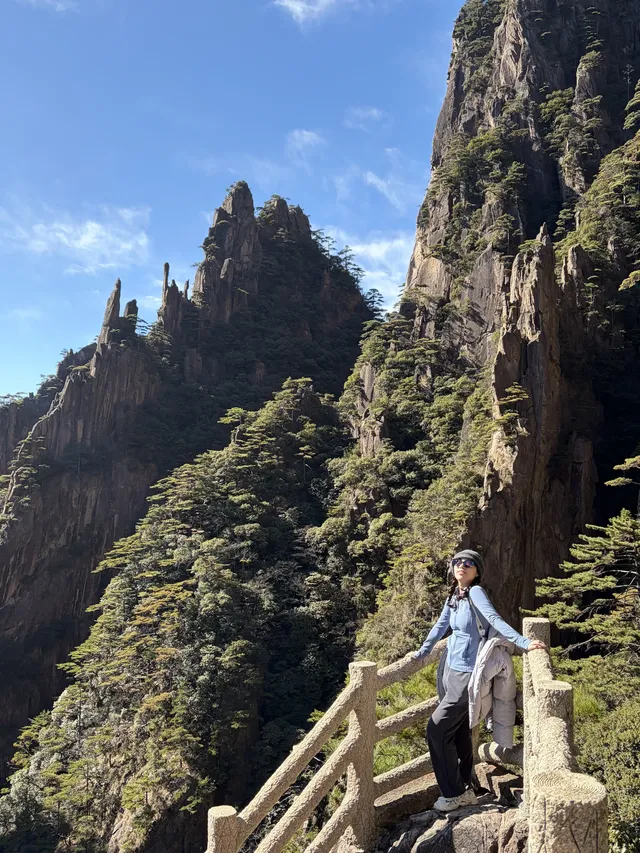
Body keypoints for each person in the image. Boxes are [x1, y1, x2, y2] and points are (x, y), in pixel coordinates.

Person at [408, 549, 546, 813]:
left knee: (436, 730)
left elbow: (494, 619)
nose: (463, 565)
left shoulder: (475, 593)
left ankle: (453, 793)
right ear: (452, 568)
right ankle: (466, 788)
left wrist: (524, 643)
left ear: (477, 571)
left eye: (469, 563)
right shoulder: (454, 594)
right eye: (458, 562)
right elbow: (441, 626)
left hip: (467, 673)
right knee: (457, 731)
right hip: (449, 669)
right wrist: (422, 652)